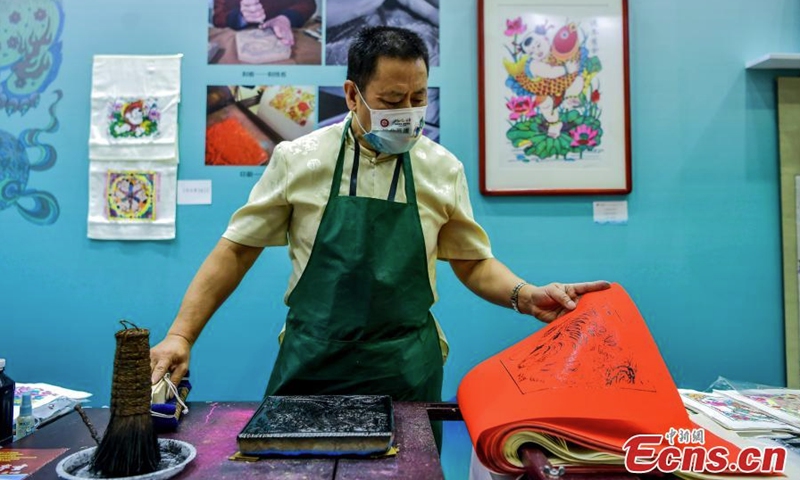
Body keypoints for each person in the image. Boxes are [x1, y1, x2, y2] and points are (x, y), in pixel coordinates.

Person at [150, 26, 609, 450]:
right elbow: (236, 248)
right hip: (312, 362)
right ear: (352, 95)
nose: (408, 114)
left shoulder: (441, 168)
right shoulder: (299, 160)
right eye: (391, 101)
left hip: (405, 368)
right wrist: (180, 334)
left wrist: (524, 295)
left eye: (418, 97)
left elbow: (472, 260)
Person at [212, 0, 316, 45]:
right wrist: (241, 17)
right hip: (242, 38)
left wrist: (285, 18)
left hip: (285, 35)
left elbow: (308, 3)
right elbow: (219, 15)